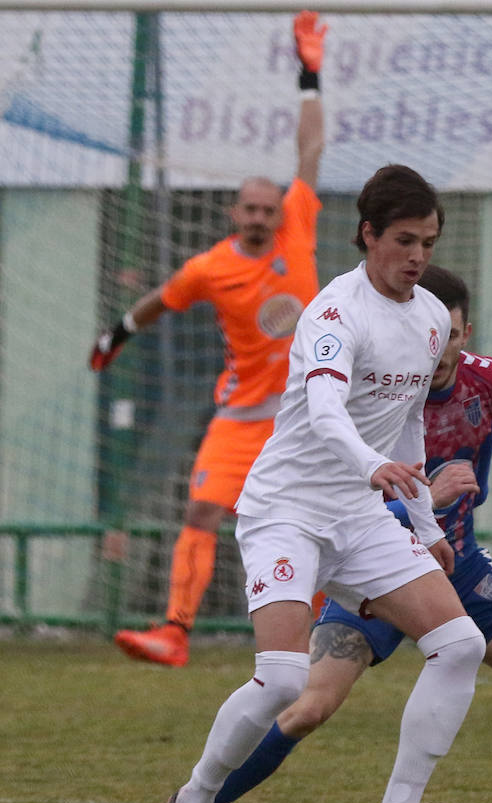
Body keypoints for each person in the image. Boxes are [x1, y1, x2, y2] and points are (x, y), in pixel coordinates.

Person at [129, 265, 492, 803]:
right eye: (430, 333)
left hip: (452, 563)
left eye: (449, 334)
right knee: (304, 703)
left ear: (463, 332)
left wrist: (440, 520)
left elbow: (474, 475)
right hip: (365, 549)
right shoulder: (370, 372)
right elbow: (343, 459)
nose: (437, 347)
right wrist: (418, 503)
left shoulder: (486, 383)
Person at [155, 165, 487, 803]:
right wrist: (371, 468)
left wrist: (424, 523)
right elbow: (330, 412)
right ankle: (192, 800)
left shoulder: (431, 316)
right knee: (280, 679)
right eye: (404, 240)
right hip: (287, 512)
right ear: (368, 234)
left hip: (362, 517)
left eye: (427, 241)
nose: (417, 256)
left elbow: (406, 434)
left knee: (459, 644)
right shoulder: (334, 312)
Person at [89, 10, 328, 668]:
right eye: (248, 208)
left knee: (330, 525)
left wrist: (310, 75)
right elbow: (158, 303)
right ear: (232, 213)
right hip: (244, 412)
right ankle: (173, 632)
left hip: (311, 412)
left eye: (266, 207)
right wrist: (114, 335)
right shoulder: (209, 267)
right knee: (200, 511)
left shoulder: (297, 224)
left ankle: (342, 633)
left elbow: (309, 150)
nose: (259, 216)